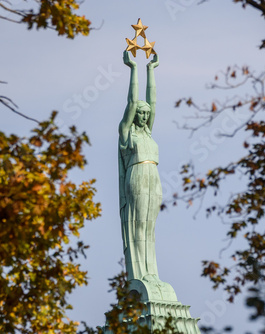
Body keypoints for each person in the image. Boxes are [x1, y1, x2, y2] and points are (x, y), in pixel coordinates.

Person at [118, 50, 161, 282]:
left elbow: (152, 100)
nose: (144, 116)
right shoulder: (127, 134)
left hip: (153, 177)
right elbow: (133, 102)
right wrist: (134, 68)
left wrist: (150, 70)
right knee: (138, 225)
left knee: (150, 229)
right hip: (136, 176)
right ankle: (139, 274)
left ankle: (151, 272)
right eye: (141, 113)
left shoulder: (148, 134)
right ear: (134, 116)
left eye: (147, 113)